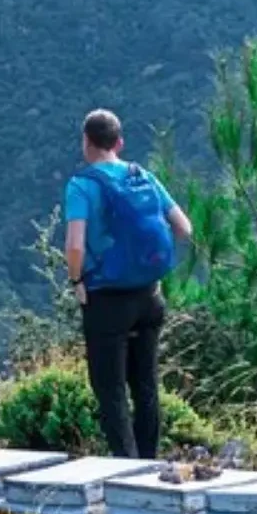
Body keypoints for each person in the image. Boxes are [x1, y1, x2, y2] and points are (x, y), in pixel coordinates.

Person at [64, 110, 192, 458]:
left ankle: (126, 466)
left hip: (106, 299)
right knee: (146, 384)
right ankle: (149, 464)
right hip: (149, 297)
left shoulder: (82, 185)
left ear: (86, 142)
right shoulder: (144, 176)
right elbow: (184, 228)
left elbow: (75, 245)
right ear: (119, 143)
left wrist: (76, 280)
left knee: (110, 388)